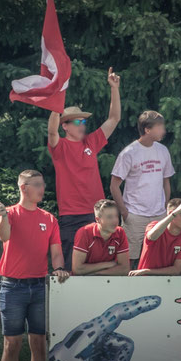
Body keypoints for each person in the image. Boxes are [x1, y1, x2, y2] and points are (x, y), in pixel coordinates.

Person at [0, 169, 70, 361]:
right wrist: (3, 216)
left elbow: (56, 252)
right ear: (24, 188)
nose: (42, 189)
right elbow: (4, 236)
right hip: (11, 287)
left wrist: (58, 269)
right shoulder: (9, 213)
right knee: (11, 345)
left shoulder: (49, 218)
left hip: (38, 287)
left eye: (43, 184)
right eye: (38, 185)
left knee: (38, 343)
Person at [48, 67, 121, 272]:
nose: (83, 125)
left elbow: (114, 119)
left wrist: (114, 88)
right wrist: (56, 105)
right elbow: (51, 130)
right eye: (78, 121)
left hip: (97, 214)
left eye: (84, 121)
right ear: (66, 126)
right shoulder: (59, 146)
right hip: (71, 215)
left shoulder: (90, 142)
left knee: (98, 266)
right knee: (71, 268)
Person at [110, 110, 174, 268]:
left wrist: (165, 207)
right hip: (135, 215)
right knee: (130, 259)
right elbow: (114, 185)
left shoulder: (163, 151)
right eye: (159, 127)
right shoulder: (129, 153)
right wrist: (125, 213)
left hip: (158, 214)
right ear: (147, 129)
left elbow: (166, 182)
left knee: (158, 258)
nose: (163, 131)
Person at [128, 199, 181, 276]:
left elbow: (176, 269)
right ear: (171, 214)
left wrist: (147, 271)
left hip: (169, 282)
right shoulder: (153, 226)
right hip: (146, 280)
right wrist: (174, 214)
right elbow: (152, 236)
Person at [72, 199, 130, 276]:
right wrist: (106, 265)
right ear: (98, 220)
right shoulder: (84, 232)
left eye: (116, 216)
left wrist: (97, 274)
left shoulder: (120, 232)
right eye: (109, 217)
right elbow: (77, 269)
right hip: (83, 282)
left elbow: (124, 269)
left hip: (107, 281)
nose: (115, 220)